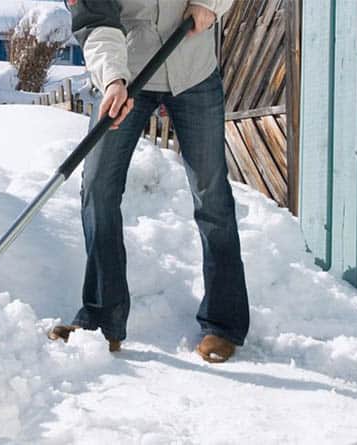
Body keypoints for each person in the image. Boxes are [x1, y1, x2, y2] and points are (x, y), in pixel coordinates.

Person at [48, 0, 248, 363]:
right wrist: (112, 79)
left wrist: (210, 3)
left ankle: (223, 322)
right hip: (129, 72)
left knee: (211, 194)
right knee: (98, 187)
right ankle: (101, 319)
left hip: (193, 69)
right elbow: (96, 21)